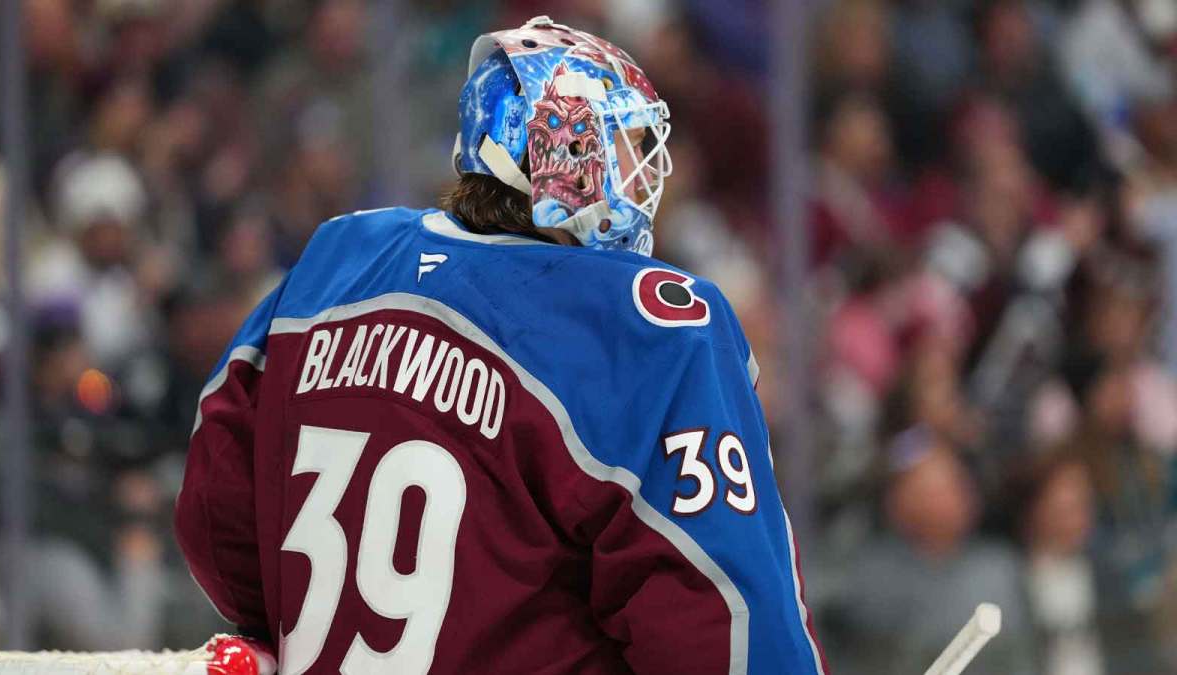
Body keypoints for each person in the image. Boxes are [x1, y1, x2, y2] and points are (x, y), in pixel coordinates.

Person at [174, 16, 826, 674]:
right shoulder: (642, 322)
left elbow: (213, 513)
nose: (643, 179)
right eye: (627, 148)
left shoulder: (336, 259)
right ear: (570, 157)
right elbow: (730, 624)